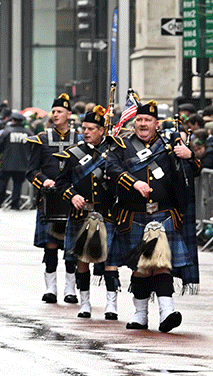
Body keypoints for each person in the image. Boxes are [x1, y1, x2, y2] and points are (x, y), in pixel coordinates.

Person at [102, 100, 200, 332]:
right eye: (139, 120)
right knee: (141, 267)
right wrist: (134, 182)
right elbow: (112, 169)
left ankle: (168, 312)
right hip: (133, 215)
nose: (143, 124)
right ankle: (140, 314)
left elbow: (193, 170)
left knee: (162, 263)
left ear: (157, 123)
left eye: (147, 120)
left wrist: (189, 154)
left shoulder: (169, 145)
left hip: (164, 213)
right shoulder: (123, 145)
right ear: (134, 123)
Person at [42, 106, 121, 319]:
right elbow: (61, 182)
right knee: (82, 261)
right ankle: (85, 303)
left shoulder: (114, 152)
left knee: (110, 262)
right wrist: (72, 195)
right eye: (84, 128)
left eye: (91, 129)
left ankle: (111, 304)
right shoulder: (74, 153)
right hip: (81, 215)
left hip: (106, 213)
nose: (86, 132)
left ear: (102, 130)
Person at [28, 94, 80, 304]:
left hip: (72, 199)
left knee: (72, 247)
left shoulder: (79, 139)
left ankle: (71, 289)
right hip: (48, 200)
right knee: (50, 246)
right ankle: (51, 288)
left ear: (69, 114)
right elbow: (31, 171)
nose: (56, 115)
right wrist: (44, 181)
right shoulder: (41, 139)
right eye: (54, 111)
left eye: (60, 112)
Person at [0, 111, 36, 210]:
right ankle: (15, 204)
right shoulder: (28, 133)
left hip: (7, 163)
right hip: (23, 163)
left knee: (2, 183)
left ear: (13, 120)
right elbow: (34, 146)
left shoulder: (7, 131)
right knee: (18, 185)